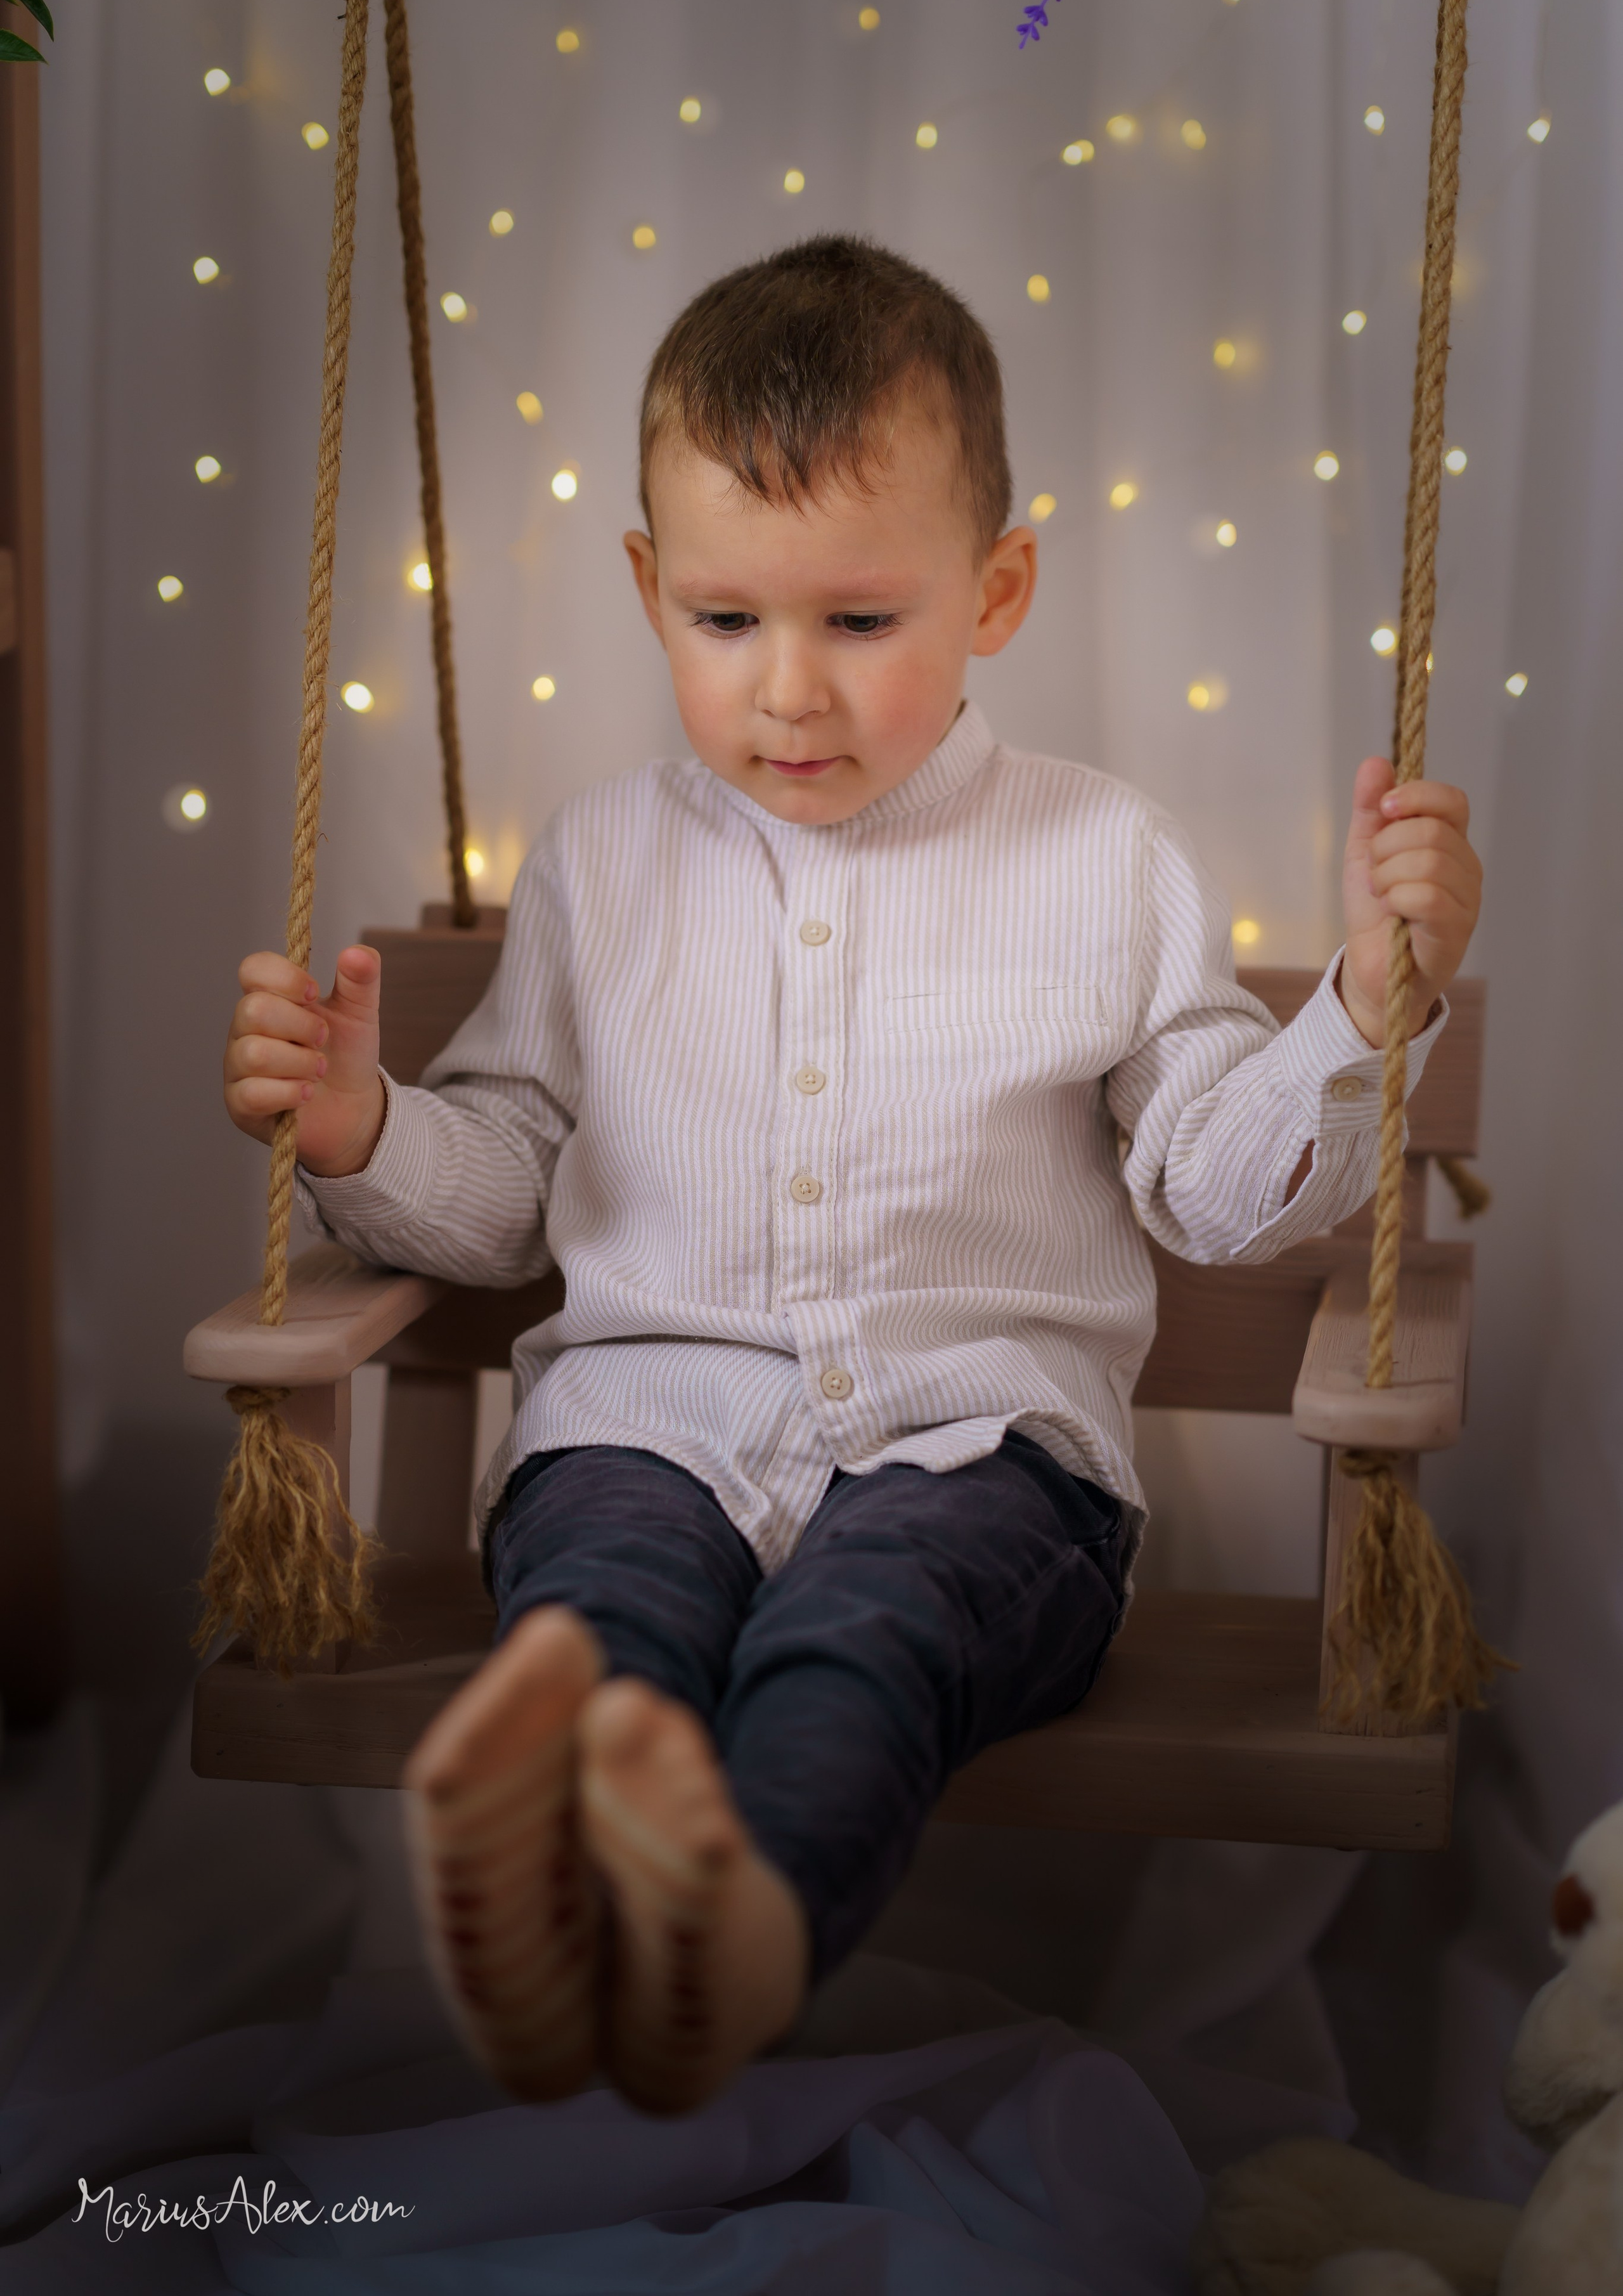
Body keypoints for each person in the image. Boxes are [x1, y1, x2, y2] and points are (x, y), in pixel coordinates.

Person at [221, 236, 1482, 2118]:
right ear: (650, 591)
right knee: (602, 1624)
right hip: (646, 1428)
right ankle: (573, 1908)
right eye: (727, 622)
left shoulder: (1102, 858)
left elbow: (1218, 1196)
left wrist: (1370, 1011)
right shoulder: (598, 861)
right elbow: (506, 1204)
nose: (788, 693)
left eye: (862, 623)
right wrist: (366, 1127)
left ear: (999, 589)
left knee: (862, 1646)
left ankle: (741, 1941)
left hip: (990, 1468)